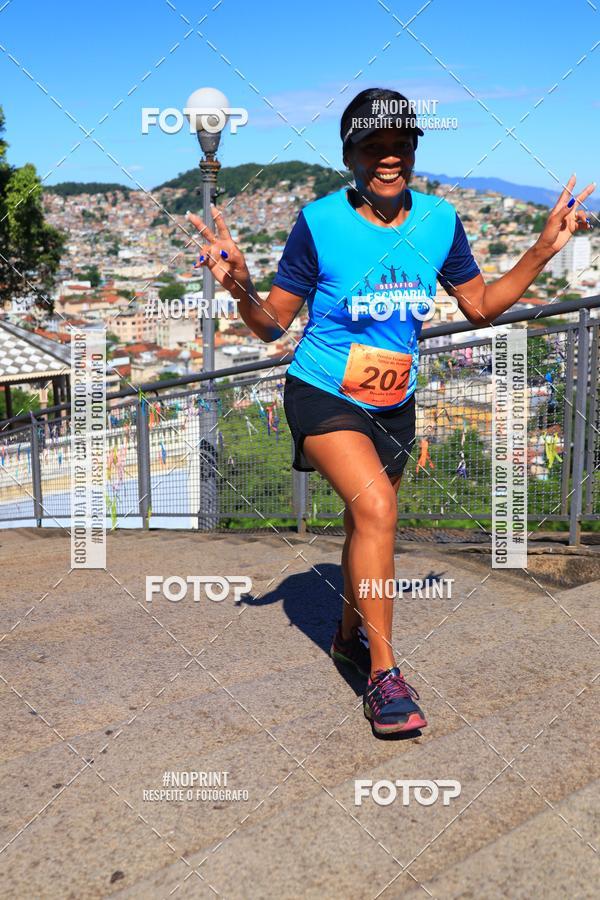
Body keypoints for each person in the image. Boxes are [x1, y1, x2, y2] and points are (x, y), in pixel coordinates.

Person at [186, 87, 595, 736]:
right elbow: (271, 326)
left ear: (414, 150)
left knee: (363, 524)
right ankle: (384, 674)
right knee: (378, 509)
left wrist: (544, 250)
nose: (389, 158)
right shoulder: (318, 223)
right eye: (374, 147)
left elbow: (482, 306)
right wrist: (239, 287)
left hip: (394, 404)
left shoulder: (439, 220)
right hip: (321, 390)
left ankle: (349, 635)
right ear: (349, 154)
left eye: (401, 145)